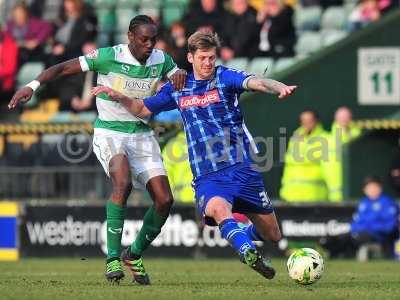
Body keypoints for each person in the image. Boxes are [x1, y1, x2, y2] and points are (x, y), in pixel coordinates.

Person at [91, 31, 297, 279]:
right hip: (208, 175)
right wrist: (119, 96)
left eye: (211, 57)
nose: (208, 63)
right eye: (203, 58)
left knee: (273, 234)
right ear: (190, 58)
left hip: (242, 168)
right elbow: (142, 109)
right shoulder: (179, 86)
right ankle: (247, 251)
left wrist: (279, 87)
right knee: (219, 209)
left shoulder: (225, 77)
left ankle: (243, 236)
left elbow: (258, 81)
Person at [8, 15, 187, 285]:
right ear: (130, 36)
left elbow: (181, 79)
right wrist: (32, 86)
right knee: (122, 182)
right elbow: (62, 68)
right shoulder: (107, 56)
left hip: (141, 133)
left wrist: (181, 74)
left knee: (164, 200)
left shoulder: (162, 59)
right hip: (110, 131)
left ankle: (134, 253)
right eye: (144, 39)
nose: (149, 44)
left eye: (153, 39)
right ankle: (112, 257)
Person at [320, 176, 399, 259]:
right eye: (369, 188)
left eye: (374, 187)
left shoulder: (387, 203)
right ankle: (332, 256)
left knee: (355, 237)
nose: (372, 190)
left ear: (380, 188)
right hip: (359, 233)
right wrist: (357, 229)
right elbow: (356, 222)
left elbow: (389, 227)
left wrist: (368, 228)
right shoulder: (363, 203)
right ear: (364, 190)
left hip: (379, 237)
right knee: (331, 240)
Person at [280, 110, 329, 202]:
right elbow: (289, 165)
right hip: (290, 195)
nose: (306, 123)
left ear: (316, 121)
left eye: (309, 120)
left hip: (314, 195)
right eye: (303, 120)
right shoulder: (295, 138)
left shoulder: (325, 138)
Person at [322, 107, 361, 202]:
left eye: (346, 117)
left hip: (356, 194)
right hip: (332, 196)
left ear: (351, 118)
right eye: (341, 117)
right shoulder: (327, 140)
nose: (343, 120)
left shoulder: (358, 136)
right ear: (335, 119)